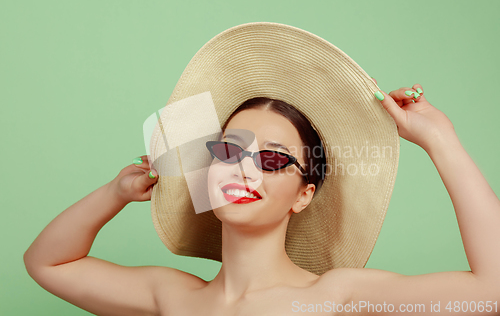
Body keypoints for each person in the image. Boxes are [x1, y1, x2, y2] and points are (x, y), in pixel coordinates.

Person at [23, 78, 500, 315]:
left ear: (303, 195)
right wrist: (114, 193)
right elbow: (48, 263)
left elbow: (491, 290)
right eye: (228, 150)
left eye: (272, 160)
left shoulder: (335, 296)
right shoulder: (174, 296)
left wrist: (442, 142)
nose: (242, 168)